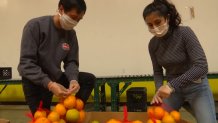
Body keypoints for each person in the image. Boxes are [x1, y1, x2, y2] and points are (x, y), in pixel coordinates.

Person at [142, 0, 216, 122]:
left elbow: (201, 67)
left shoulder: (185, 33)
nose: (154, 28)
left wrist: (171, 86)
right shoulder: (153, 44)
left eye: (158, 22)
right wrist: (159, 89)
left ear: (167, 18)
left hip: (196, 87)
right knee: (156, 119)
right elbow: (157, 71)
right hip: (173, 92)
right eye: (150, 25)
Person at [18, 0, 95, 115]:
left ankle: (70, 111)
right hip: (35, 81)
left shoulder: (71, 34)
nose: (75, 22)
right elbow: (26, 64)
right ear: (61, 9)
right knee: (43, 117)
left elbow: (71, 61)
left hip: (55, 76)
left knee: (88, 79)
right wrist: (50, 84)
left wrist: (73, 79)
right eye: (73, 17)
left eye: (79, 20)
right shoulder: (35, 26)